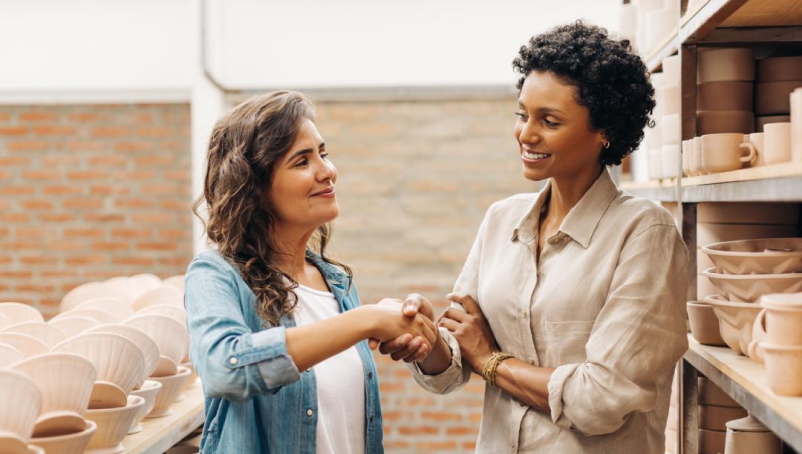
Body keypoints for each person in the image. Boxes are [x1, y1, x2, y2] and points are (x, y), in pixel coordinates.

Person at [380, 21, 689, 453]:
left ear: (605, 131)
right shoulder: (500, 220)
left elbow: (599, 398)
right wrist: (428, 339)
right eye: (523, 114)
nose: (526, 133)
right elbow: (454, 362)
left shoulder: (644, 233)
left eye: (550, 120)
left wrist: (491, 361)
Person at [184, 91, 438, 453]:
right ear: (253, 187)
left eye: (323, 153)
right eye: (302, 161)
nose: (327, 171)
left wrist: (410, 329)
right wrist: (366, 320)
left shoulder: (336, 282)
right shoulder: (216, 274)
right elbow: (224, 367)